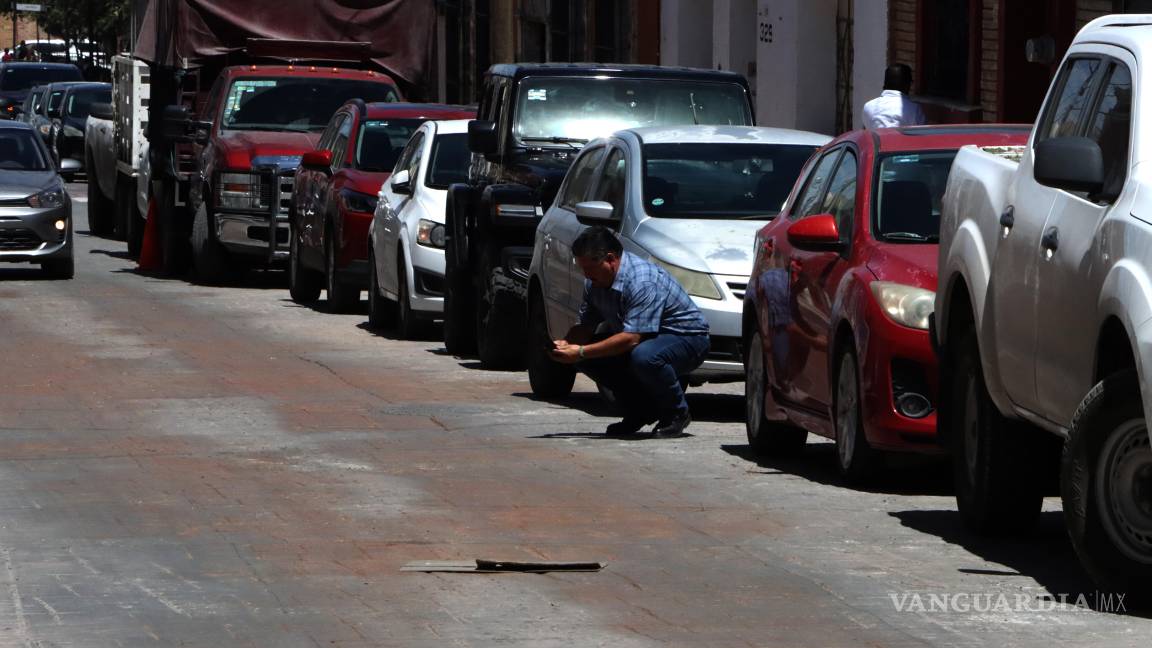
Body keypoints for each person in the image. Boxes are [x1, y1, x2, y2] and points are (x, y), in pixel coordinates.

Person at [549, 226, 710, 438]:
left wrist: (579, 351)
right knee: (589, 358)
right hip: (645, 338)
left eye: (590, 268)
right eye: (582, 268)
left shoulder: (642, 280)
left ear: (610, 259)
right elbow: (585, 326)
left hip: (688, 339)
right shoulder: (594, 283)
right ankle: (639, 411)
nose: (586, 275)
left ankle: (676, 413)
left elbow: (631, 339)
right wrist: (566, 345)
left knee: (644, 357)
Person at [862, 63, 926, 129]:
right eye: (911, 82)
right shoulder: (915, 109)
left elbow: (865, 132)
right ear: (907, 84)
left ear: (885, 83)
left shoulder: (868, 106)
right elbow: (920, 134)